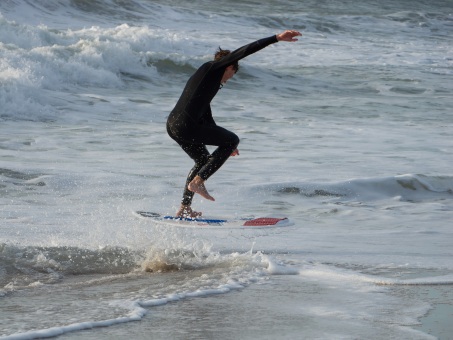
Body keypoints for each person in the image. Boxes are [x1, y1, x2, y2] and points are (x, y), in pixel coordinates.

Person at [167, 30, 302, 217]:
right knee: (232, 140)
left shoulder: (205, 80)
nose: (229, 79)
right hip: (186, 125)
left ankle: (184, 207)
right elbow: (244, 51)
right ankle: (198, 182)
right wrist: (275, 39)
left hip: (174, 125)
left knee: (204, 160)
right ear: (229, 67)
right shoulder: (213, 68)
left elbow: (205, 114)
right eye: (232, 73)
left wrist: (223, 141)